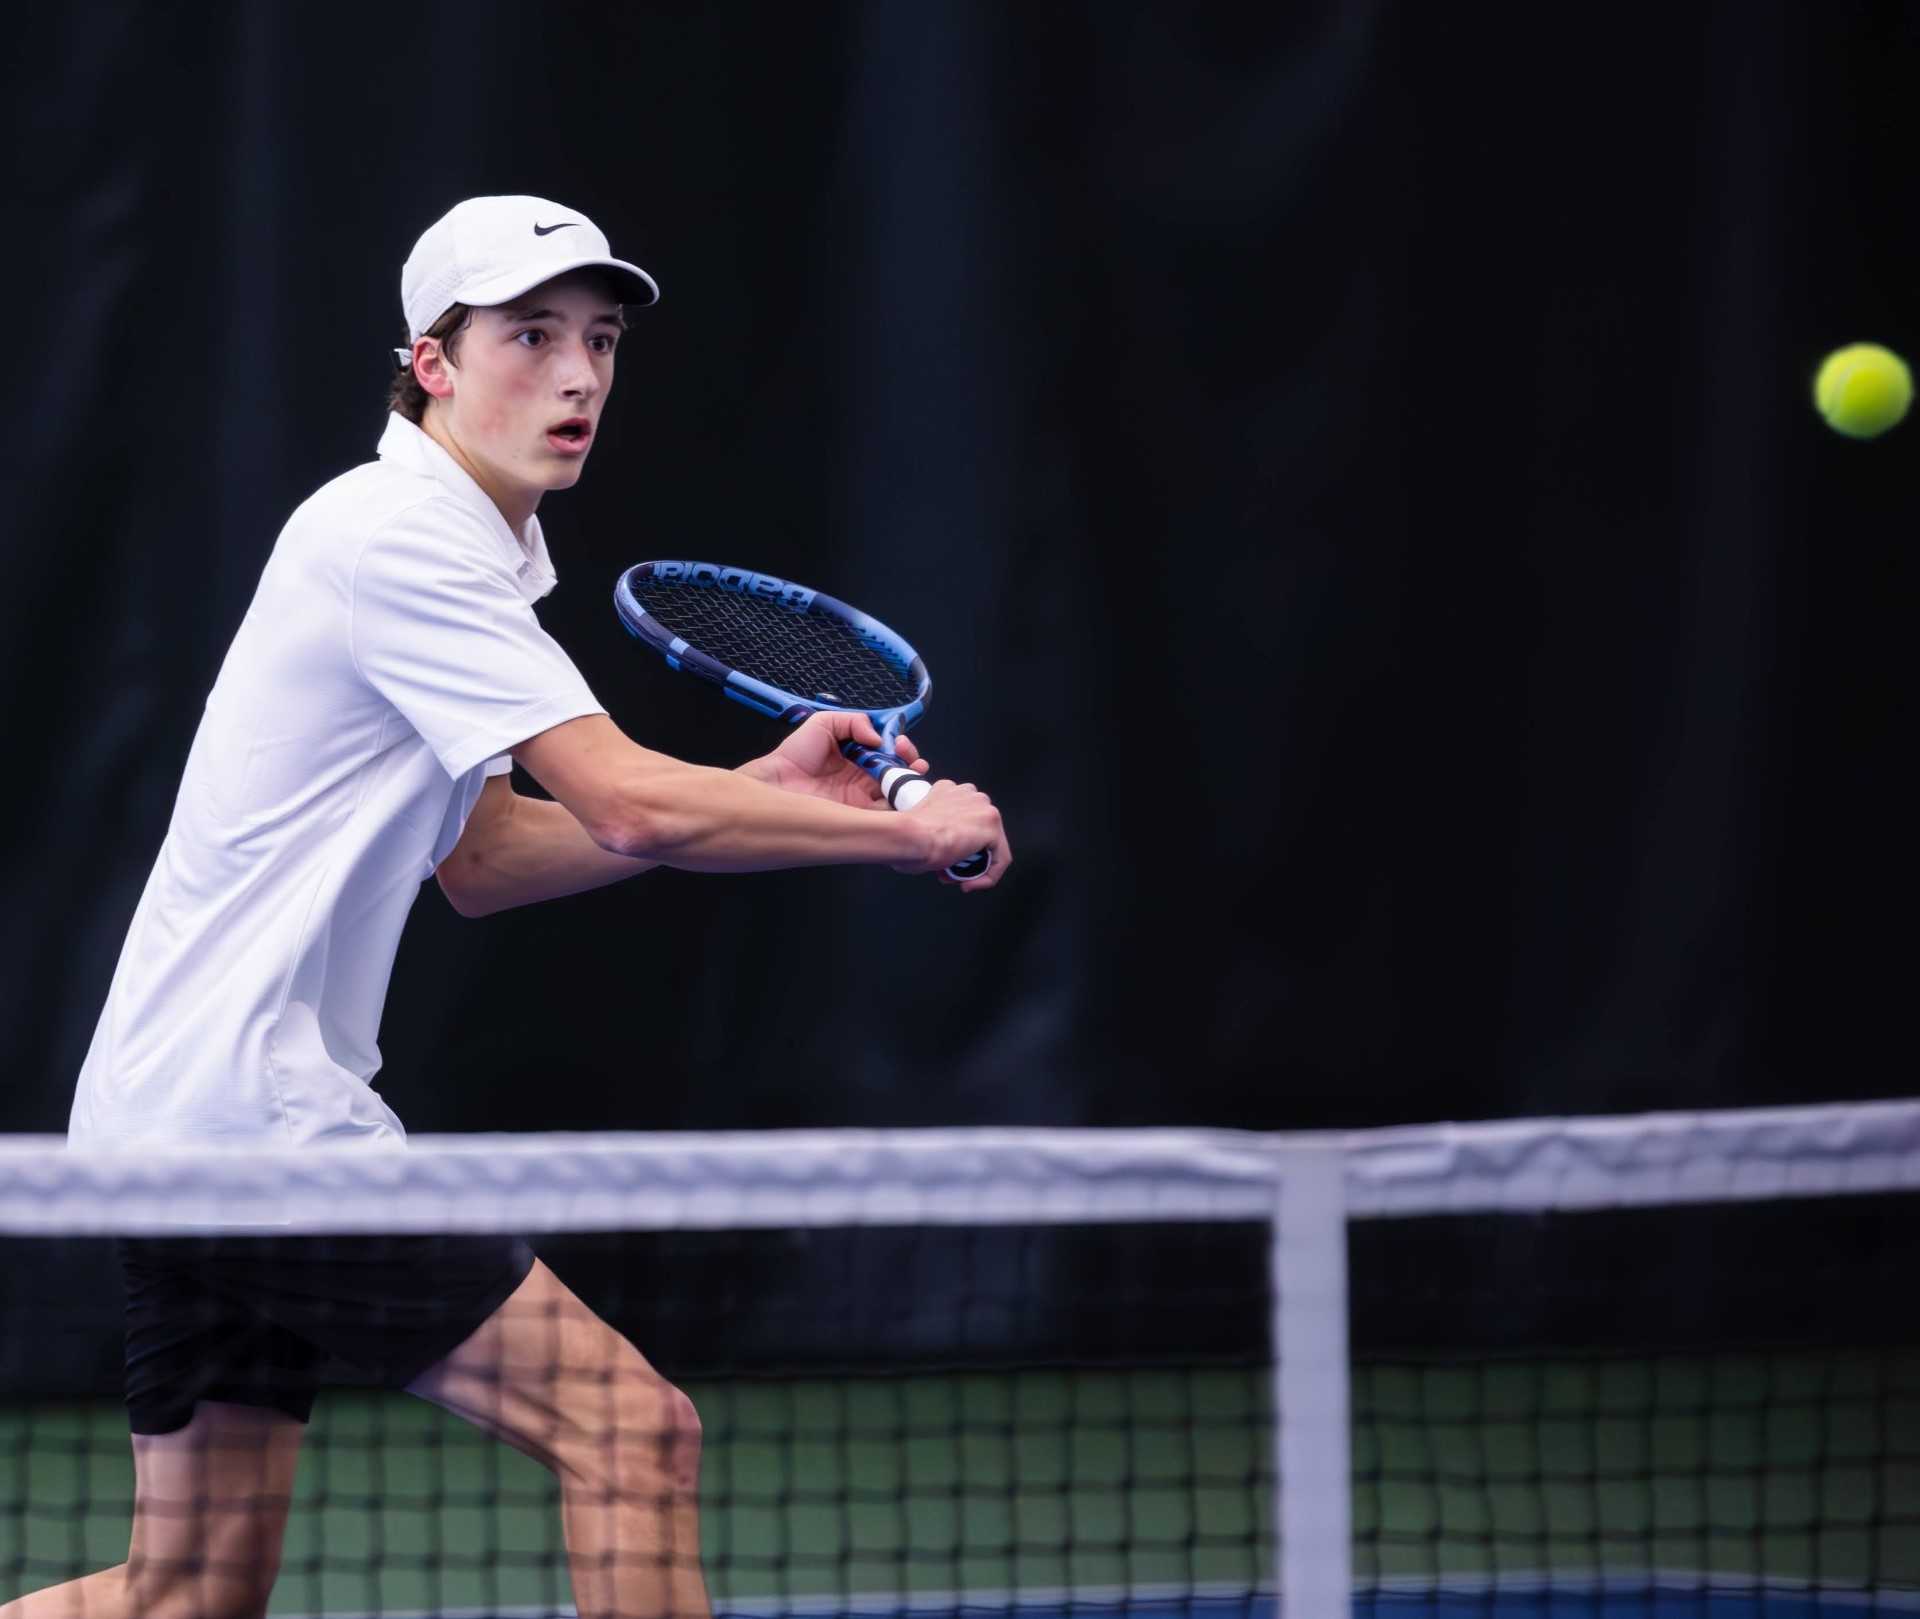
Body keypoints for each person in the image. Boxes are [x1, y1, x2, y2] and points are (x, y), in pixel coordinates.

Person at [15, 195, 1008, 1619]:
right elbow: (629, 804)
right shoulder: (401, 540)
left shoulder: (457, 550)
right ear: (431, 361)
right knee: (629, 1429)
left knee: (185, 1593)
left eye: (599, 340)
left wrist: (759, 788)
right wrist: (905, 843)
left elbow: (482, 857)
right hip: (251, 1130)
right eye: (530, 336)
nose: (578, 375)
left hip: (170, 1120)